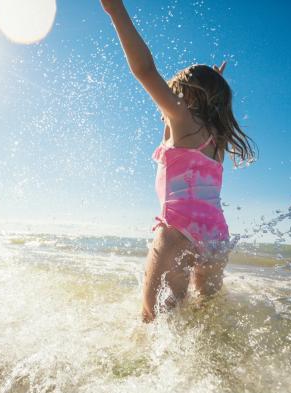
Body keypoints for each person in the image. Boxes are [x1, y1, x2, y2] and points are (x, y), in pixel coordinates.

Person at [101, 0, 256, 322]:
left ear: (185, 97)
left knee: (152, 317)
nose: (167, 104)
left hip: (178, 231)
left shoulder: (182, 120)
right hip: (216, 236)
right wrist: (211, 83)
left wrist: (116, 11)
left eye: (175, 93)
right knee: (201, 316)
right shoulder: (219, 136)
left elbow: (144, 70)